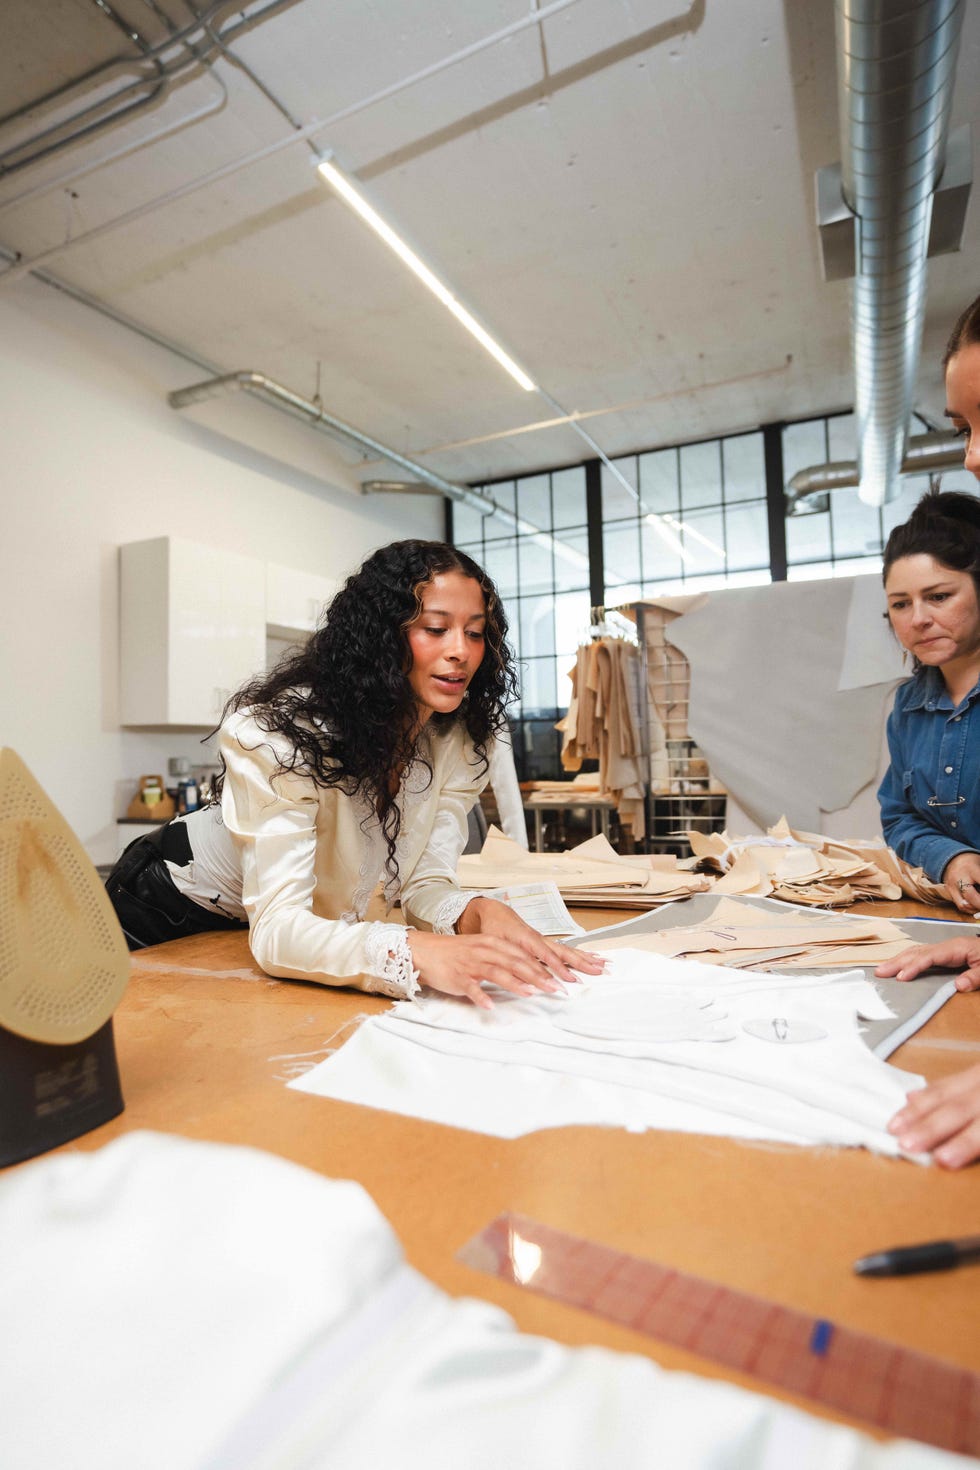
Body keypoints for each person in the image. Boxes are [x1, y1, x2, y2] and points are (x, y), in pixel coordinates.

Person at [106, 539, 602, 1009]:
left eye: (475, 632)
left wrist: (475, 912)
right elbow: (278, 931)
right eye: (435, 628)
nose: (462, 651)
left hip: (255, 927)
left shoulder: (459, 740)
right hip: (165, 905)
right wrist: (414, 950)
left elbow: (424, 882)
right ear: (382, 638)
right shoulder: (281, 735)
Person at [877, 478, 980, 913]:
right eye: (901, 604)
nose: (918, 619)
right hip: (947, 918)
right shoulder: (907, 708)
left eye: (939, 596)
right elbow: (899, 816)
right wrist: (952, 859)